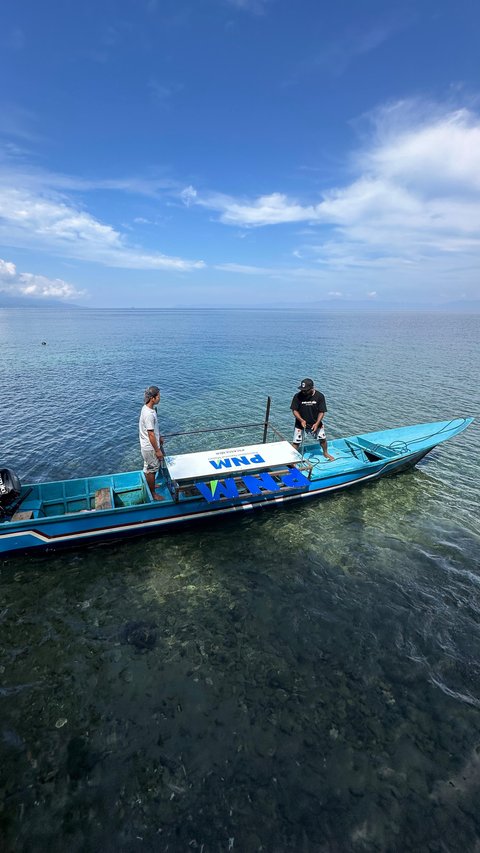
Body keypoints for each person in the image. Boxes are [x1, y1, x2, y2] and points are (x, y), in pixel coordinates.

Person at [291, 377, 335, 461]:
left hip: (316, 423)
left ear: (312, 388)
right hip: (300, 423)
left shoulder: (320, 396)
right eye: (302, 390)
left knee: (322, 439)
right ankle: (292, 459)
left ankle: (325, 453)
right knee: (296, 442)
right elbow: (294, 410)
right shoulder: (297, 396)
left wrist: (317, 423)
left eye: (305, 390)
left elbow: (322, 411)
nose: (303, 392)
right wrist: (301, 420)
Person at [139, 385, 164, 500]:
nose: (160, 398)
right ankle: (153, 494)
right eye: (158, 396)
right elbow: (151, 434)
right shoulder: (149, 414)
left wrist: (160, 436)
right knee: (153, 470)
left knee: (147, 467)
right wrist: (158, 450)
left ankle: (150, 484)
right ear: (152, 398)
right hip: (150, 448)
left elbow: (154, 430)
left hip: (146, 446)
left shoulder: (147, 408)